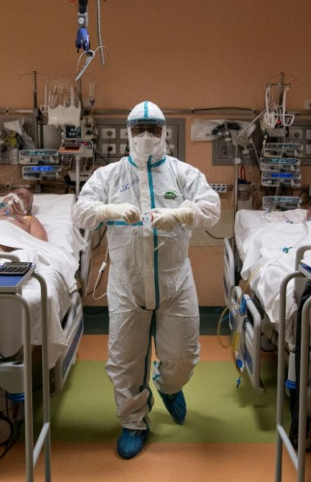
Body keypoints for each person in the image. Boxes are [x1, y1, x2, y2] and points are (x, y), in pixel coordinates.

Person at [72, 100, 220, 459]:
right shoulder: (109, 176)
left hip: (174, 282)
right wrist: (107, 210)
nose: (146, 137)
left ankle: (168, 386)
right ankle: (133, 422)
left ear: (164, 133)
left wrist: (181, 214)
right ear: (128, 133)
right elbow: (80, 210)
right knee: (123, 362)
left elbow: (211, 208)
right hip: (126, 283)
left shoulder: (183, 174)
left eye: (153, 129)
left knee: (183, 358)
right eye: (139, 130)